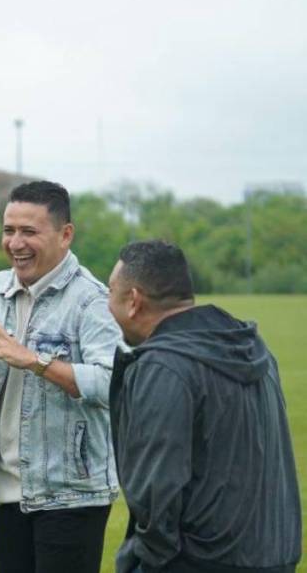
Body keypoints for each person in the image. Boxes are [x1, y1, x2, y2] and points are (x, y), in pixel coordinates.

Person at [0, 181, 121, 573]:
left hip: (71, 495)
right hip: (9, 490)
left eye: (29, 231)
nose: (15, 243)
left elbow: (114, 384)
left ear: (65, 234)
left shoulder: (91, 300)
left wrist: (33, 360)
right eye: (9, 230)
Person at [107, 240, 301, 573]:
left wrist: (150, 560)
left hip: (198, 561)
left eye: (110, 291)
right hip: (273, 554)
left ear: (134, 301)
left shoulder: (163, 366)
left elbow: (157, 489)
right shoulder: (253, 349)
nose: (106, 304)